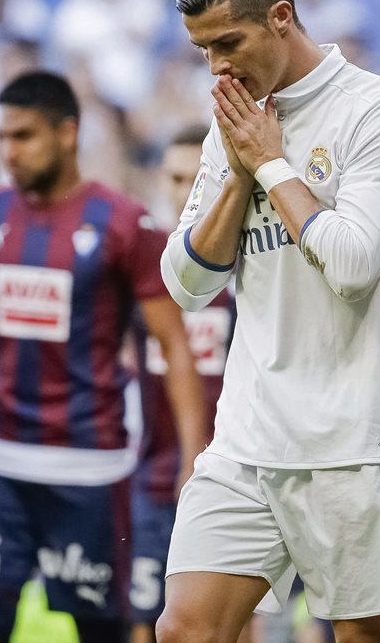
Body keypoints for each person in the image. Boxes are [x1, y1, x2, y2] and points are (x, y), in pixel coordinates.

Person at [156, 0, 380, 643]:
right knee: (185, 630)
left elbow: (348, 266)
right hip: (249, 433)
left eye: (227, 42)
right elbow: (184, 283)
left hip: (353, 439)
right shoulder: (237, 122)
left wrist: (271, 162)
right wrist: (245, 170)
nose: (216, 66)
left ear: (281, 17)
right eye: (202, 50)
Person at [0, 71, 205, 643]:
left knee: (99, 629)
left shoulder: (123, 223)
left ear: (68, 133)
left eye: (24, 136)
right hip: (0, 464)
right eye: (3, 137)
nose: (8, 152)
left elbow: (173, 346)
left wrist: (190, 457)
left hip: (91, 467)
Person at [130, 122, 239, 643]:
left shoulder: (250, 272)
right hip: (153, 477)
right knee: (144, 621)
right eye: (174, 178)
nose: (184, 192)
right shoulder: (140, 271)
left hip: (233, 480)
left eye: (196, 178)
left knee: (236, 626)